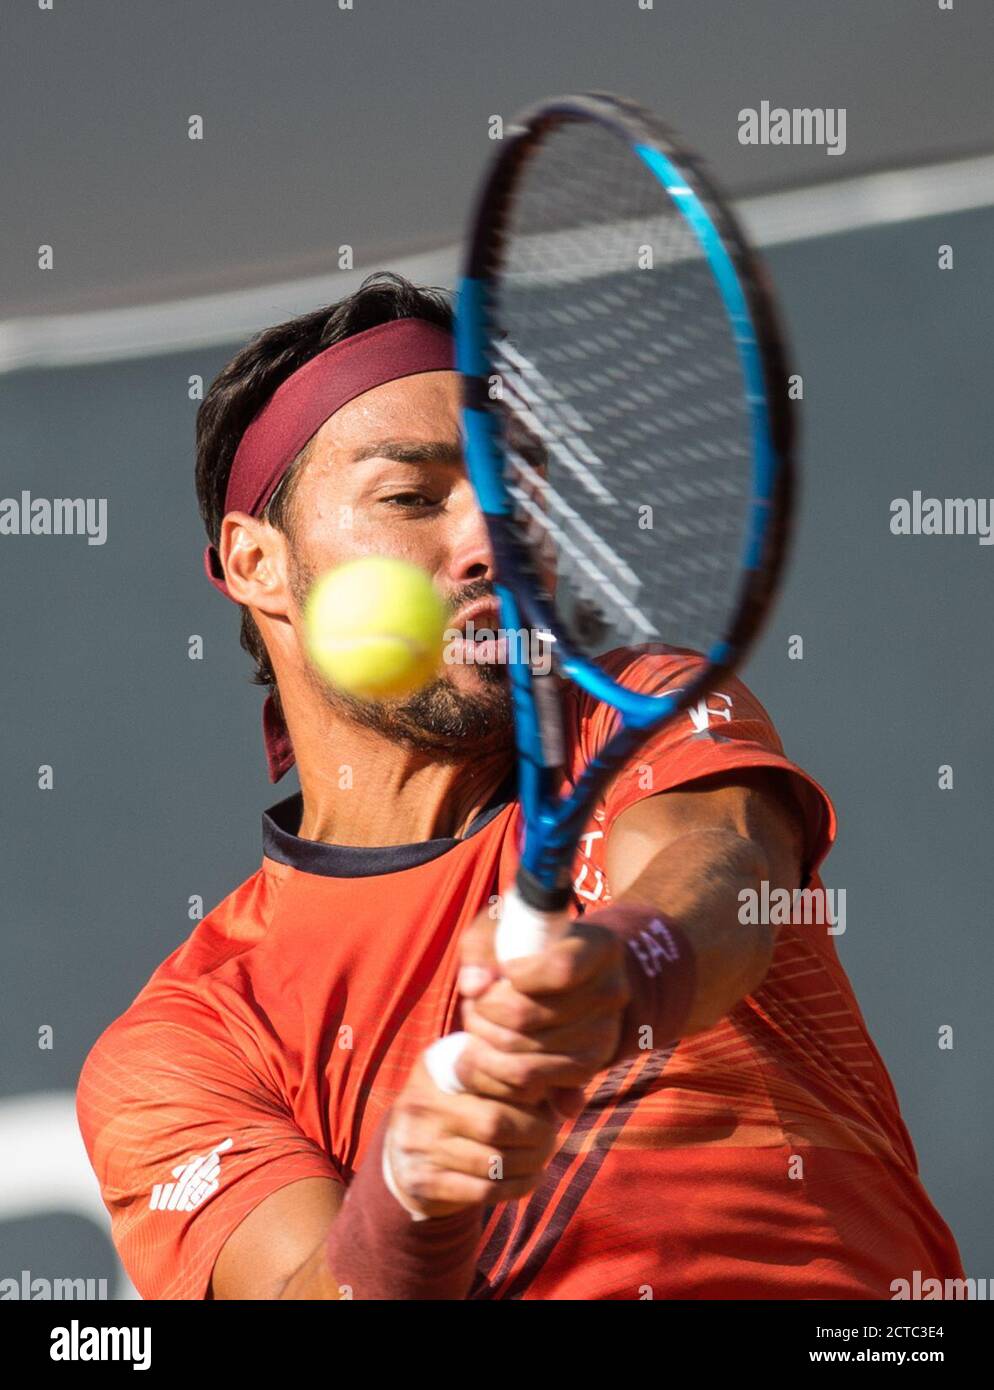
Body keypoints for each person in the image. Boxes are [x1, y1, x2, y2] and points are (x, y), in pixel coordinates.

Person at [77, 272, 964, 1300]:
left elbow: (720, 869)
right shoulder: (184, 1039)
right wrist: (410, 1200)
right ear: (256, 563)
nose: (490, 541)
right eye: (411, 497)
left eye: (518, 495)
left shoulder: (631, 711)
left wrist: (620, 969)